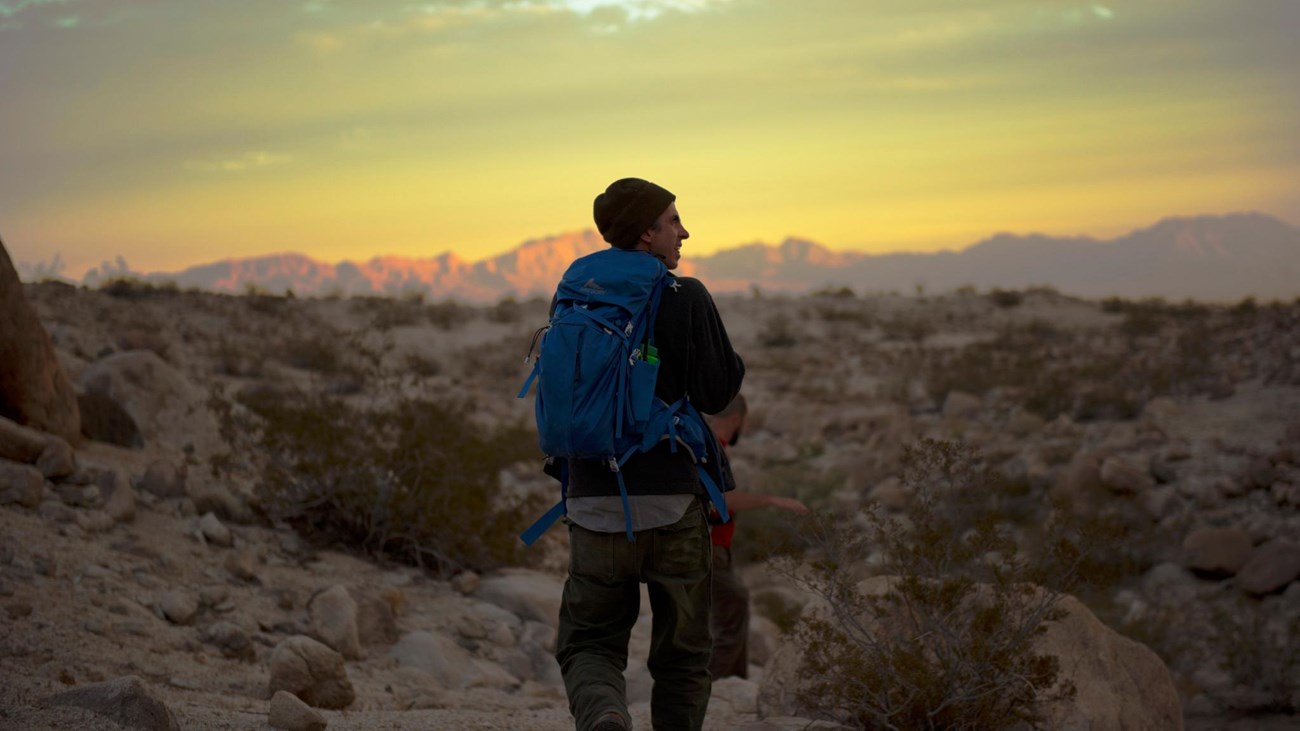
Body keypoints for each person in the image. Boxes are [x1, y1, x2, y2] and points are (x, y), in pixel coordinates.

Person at [554, 177, 746, 731]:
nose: (684, 232)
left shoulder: (574, 293)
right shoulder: (686, 296)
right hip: (673, 503)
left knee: (589, 642)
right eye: (672, 221)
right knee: (684, 657)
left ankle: (606, 715)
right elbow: (717, 393)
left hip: (592, 498)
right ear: (646, 233)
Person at [703, 394, 808, 680]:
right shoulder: (711, 448)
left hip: (712, 546)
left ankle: (731, 680)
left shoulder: (707, 445)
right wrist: (773, 500)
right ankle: (716, 685)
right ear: (737, 419)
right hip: (708, 547)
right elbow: (722, 500)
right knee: (733, 612)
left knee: (729, 609)